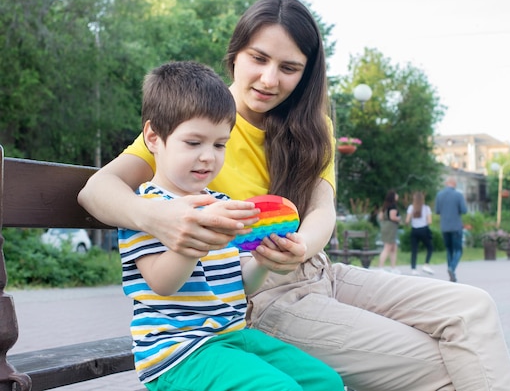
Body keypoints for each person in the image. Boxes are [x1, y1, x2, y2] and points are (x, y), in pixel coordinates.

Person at [78, 0, 510, 391]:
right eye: (259, 58)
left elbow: (322, 208)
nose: (270, 79)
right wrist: (163, 221)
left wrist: (300, 247)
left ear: (307, 74)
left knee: (472, 310)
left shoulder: (313, 128)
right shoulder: (197, 120)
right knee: (441, 365)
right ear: (235, 55)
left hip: (316, 269)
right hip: (262, 302)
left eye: (289, 68)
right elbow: (97, 190)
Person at [118, 60, 343, 390]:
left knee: (325, 382)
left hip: (231, 337)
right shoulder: (147, 207)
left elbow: (242, 284)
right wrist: (196, 237)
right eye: (194, 143)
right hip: (179, 354)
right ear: (153, 137)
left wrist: (263, 262)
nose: (208, 156)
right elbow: (162, 283)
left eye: (219, 144)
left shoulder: (221, 203)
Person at [435, 177, 468, 282]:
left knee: (449, 250)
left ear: (446, 183)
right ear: (454, 184)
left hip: (444, 227)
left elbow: (437, 211)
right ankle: (452, 268)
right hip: (456, 226)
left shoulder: (439, 195)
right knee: (458, 250)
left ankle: (451, 273)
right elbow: (464, 210)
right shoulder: (458, 195)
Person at [405, 191, 435, 275]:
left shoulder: (411, 207)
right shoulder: (426, 208)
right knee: (430, 247)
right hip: (424, 230)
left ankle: (413, 269)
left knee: (414, 250)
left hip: (414, 230)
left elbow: (407, 220)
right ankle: (426, 264)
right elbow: (429, 221)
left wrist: (409, 224)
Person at [377, 190, 401, 273]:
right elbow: (393, 217)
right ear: (393, 197)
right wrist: (399, 219)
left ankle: (393, 267)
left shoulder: (385, 206)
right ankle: (380, 267)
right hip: (391, 228)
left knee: (394, 248)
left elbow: (380, 217)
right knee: (387, 248)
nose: (397, 196)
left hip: (386, 227)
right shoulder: (393, 206)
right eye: (396, 194)